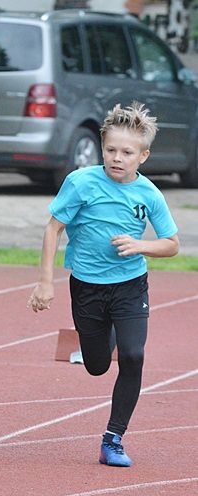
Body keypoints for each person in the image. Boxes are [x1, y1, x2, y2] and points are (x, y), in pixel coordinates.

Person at [28, 102, 179, 467]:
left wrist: (140, 245)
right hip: (87, 286)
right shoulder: (80, 183)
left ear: (142, 156)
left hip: (130, 286)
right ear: (102, 148)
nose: (117, 158)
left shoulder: (149, 195)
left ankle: (113, 438)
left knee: (133, 356)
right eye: (111, 149)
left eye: (127, 152)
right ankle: (108, 332)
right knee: (96, 365)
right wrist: (45, 282)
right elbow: (53, 228)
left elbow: (172, 244)